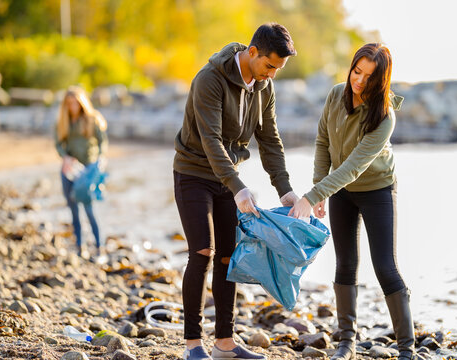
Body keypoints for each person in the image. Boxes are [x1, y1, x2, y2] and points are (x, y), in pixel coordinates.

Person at [173, 23, 300, 360]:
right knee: (202, 252)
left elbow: (270, 139)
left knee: (229, 259)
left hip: (228, 178)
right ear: (252, 52)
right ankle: (192, 344)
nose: (272, 75)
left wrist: (284, 189)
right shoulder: (209, 79)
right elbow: (212, 141)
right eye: (269, 66)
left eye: (278, 70)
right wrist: (239, 188)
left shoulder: (264, 86)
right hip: (193, 173)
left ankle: (225, 344)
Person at [290, 43, 419, 360]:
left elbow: (353, 167)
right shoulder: (336, 94)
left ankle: (407, 348)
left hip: (377, 190)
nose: (358, 81)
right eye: (356, 71)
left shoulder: (384, 116)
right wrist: (320, 185)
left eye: (368, 77)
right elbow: (323, 139)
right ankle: (346, 342)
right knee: (345, 264)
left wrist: (313, 196)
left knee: (385, 267)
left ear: (381, 81)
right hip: (342, 192)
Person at [55, 86, 108, 259]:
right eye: (69, 103)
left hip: (88, 170)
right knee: (73, 210)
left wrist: (99, 160)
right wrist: (65, 157)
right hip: (69, 170)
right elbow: (58, 144)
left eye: (75, 103)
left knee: (89, 209)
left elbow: (102, 143)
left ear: (81, 103)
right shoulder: (63, 121)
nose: (72, 106)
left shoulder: (92, 119)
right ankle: (80, 246)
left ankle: (99, 247)